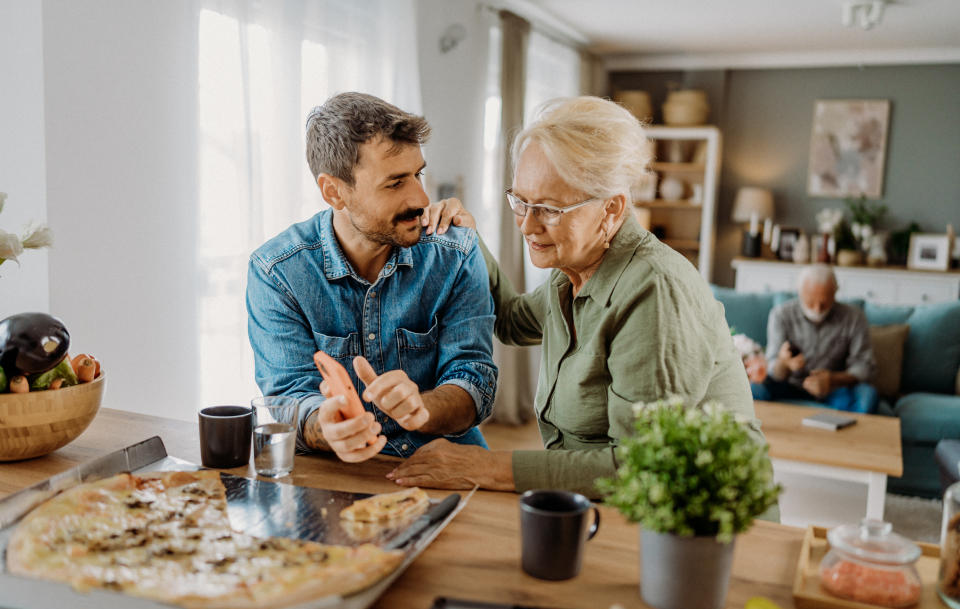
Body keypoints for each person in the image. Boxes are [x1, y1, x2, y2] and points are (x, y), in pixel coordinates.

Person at [384, 96, 764, 498]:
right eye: (521, 201)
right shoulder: (574, 271)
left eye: (549, 209)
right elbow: (512, 321)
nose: (528, 225)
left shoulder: (654, 290)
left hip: (704, 525)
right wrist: (469, 236)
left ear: (611, 210)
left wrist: (483, 466)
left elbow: (639, 465)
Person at [246, 92, 497, 463]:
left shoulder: (454, 253)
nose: (420, 197)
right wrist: (326, 427)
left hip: (444, 459)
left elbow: (475, 378)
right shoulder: (277, 271)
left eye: (418, 174)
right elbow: (289, 396)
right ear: (334, 191)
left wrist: (423, 407)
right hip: (339, 469)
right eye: (395, 183)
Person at [751, 264, 878, 413]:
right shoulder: (781, 315)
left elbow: (864, 367)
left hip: (833, 388)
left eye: (824, 303)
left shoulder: (854, 318)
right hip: (788, 384)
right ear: (800, 292)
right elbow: (773, 369)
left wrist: (832, 379)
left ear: (835, 293)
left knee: (868, 396)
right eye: (810, 302)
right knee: (753, 389)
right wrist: (784, 364)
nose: (817, 309)